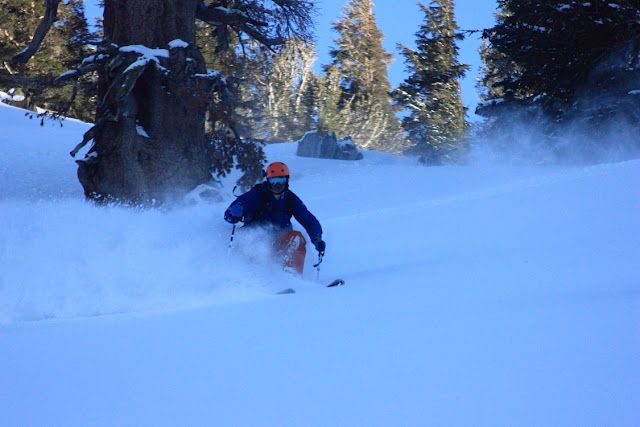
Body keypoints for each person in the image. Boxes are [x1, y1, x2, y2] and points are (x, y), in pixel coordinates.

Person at [224, 161, 326, 275]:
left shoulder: (290, 199)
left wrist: (317, 239)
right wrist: (234, 214)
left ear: (287, 180)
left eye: (281, 180)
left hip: (280, 242)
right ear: (267, 180)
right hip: (256, 242)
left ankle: (292, 278)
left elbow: (309, 220)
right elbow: (228, 214)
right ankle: (254, 278)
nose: (277, 185)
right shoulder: (256, 195)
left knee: (296, 238)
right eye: (273, 181)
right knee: (258, 247)